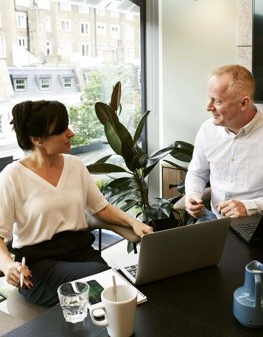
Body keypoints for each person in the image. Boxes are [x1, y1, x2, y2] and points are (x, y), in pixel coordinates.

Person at [0, 100, 152, 306]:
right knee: (106, 282)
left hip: (82, 254)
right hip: (40, 267)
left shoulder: (75, 165)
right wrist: (9, 265)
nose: (70, 133)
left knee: (123, 291)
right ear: (37, 139)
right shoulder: (12, 176)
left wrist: (134, 223)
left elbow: (101, 208)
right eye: (62, 130)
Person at [185, 65, 263, 222]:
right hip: (212, 219)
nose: (208, 107)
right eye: (209, 98)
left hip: (258, 222)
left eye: (217, 101)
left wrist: (249, 207)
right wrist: (192, 194)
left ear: (244, 104)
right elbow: (197, 172)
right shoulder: (206, 130)